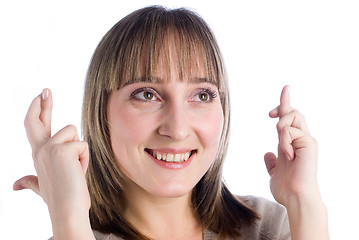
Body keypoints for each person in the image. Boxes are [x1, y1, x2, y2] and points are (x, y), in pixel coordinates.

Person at [13, 6, 329, 240]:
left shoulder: (267, 228)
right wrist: (68, 217)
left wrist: (304, 200)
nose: (177, 129)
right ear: (101, 112)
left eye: (202, 95)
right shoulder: (74, 233)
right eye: (147, 94)